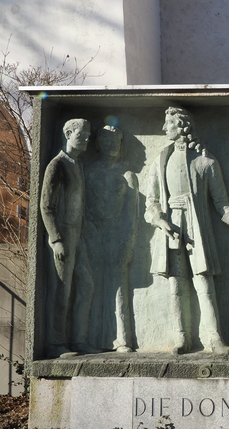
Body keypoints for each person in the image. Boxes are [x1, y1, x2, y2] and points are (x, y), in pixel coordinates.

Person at [145, 107, 229, 355]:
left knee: (204, 282)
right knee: (176, 284)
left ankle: (214, 338)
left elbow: (222, 203)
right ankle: (182, 337)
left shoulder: (205, 161)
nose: (164, 128)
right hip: (171, 229)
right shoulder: (161, 160)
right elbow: (151, 201)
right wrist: (159, 220)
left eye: (169, 123)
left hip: (197, 229)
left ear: (182, 126)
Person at [40, 118, 93, 358]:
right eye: (82, 134)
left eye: (88, 134)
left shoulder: (78, 164)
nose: (87, 138)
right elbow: (46, 206)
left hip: (78, 234)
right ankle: (55, 343)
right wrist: (56, 239)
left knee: (86, 285)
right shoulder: (57, 165)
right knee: (62, 291)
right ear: (68, 134)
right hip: (63, 236)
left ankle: (79, 339)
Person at [82, 125, 138, 353]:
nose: (112, 145)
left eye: (116, 141)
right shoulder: (89, 172)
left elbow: (132, 215)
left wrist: (127, 243)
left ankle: (122, 339)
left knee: (118, 287)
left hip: (117, 235)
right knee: (93, 287)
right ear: (98, 144)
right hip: (93, 234)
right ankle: (92, 339)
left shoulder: (128, 175)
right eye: (106, 141)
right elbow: (82, 206)